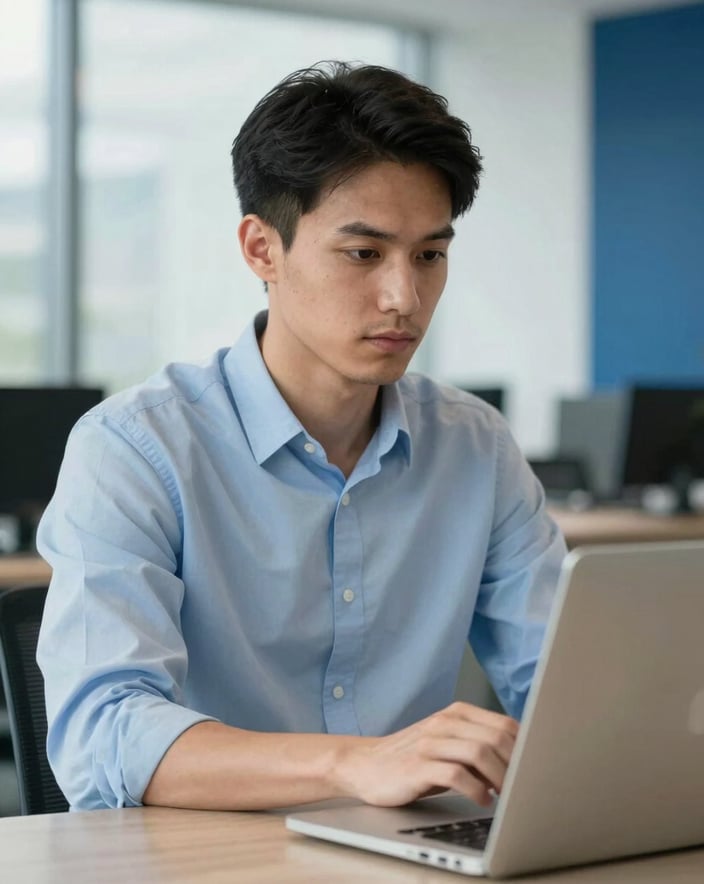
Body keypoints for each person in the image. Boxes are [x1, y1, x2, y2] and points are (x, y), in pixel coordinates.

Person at [36, 61, 567, 812]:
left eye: (430, 255)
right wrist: (354, 765)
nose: (404, 297)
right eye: (363, 253)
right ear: (261, 249)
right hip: (201, 862)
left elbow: (566, 684)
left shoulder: (475, 447)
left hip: (404, 852)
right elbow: (104, 738)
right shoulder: (134, 448)